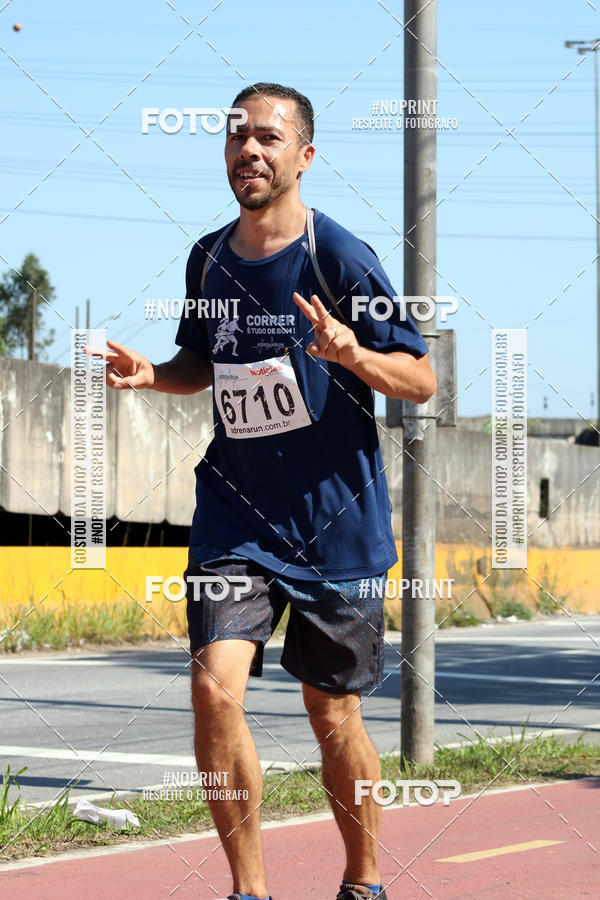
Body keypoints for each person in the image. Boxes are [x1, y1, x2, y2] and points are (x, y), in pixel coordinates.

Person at [93, 83, 436, 900]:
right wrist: (151, 376)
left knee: (333, 718)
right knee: (213, 690)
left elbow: (420, 379)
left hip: (335, 526)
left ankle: (364, 881)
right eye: (237, 138)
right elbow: (201, 365)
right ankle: (249, 891)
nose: (250, 150)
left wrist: (352, 354)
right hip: (235, 520)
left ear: (304, 156)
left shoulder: (339, 257)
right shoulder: (208, 258)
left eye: (270, 139)